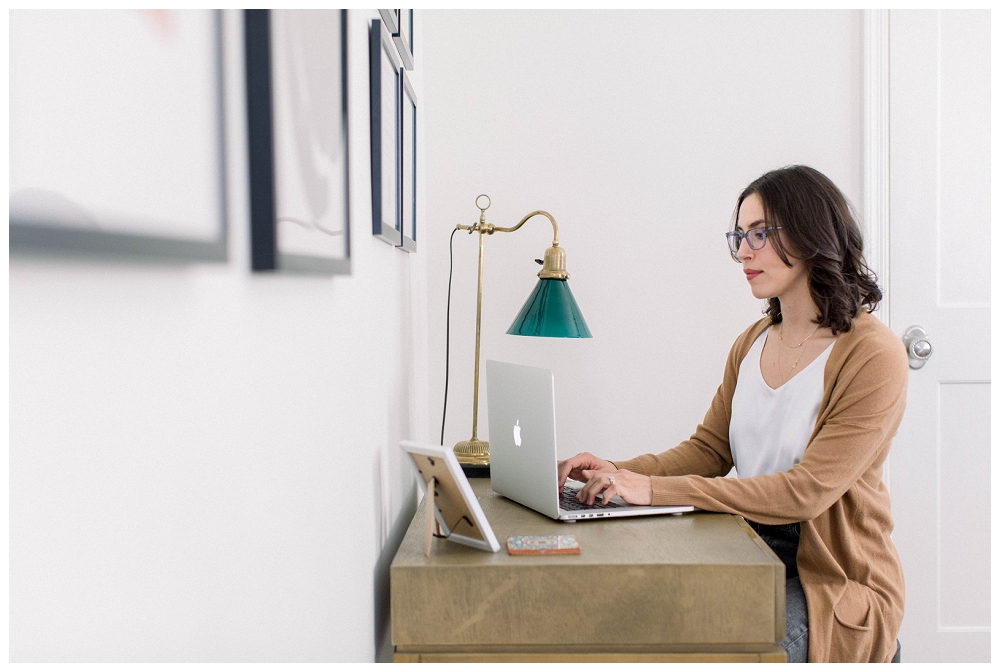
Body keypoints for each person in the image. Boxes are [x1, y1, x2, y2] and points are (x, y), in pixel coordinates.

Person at [558, 165, 907, 663]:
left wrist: (652, 490)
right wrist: (618, 472)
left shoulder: (873, 355)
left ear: (811, 234)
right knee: (638, 621)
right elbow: (709, 450)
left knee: (728, 650)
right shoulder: (752, 342)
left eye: (760, 234)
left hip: (830, 575)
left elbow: (805, 492)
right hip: (742, 537)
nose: (743, 251)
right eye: (739, 236)